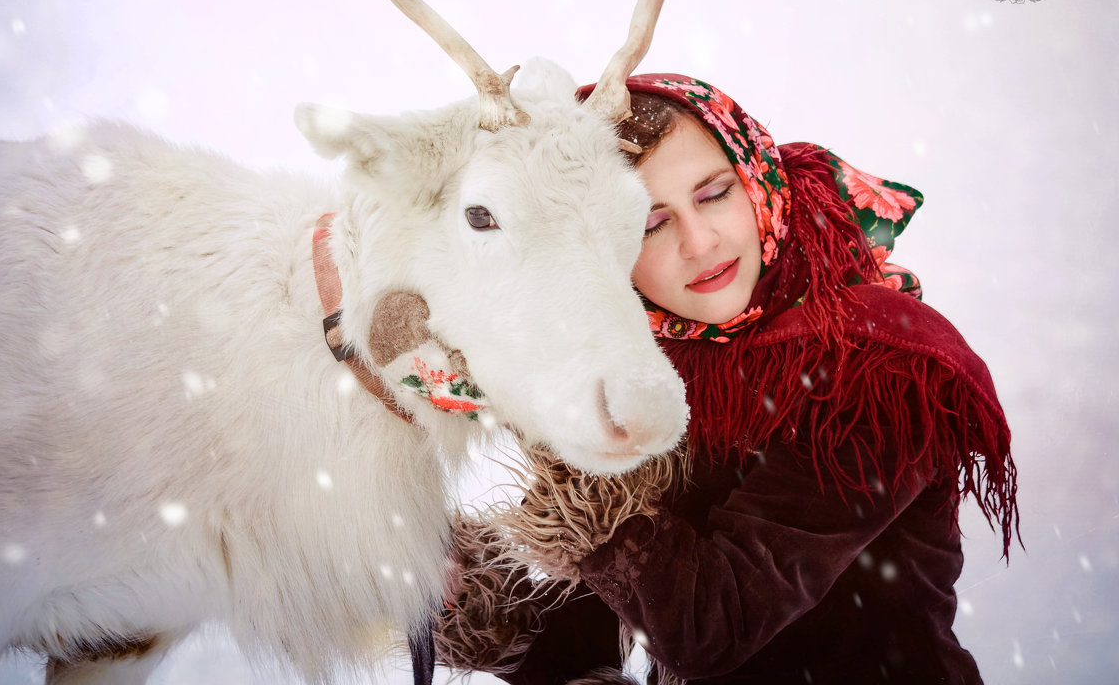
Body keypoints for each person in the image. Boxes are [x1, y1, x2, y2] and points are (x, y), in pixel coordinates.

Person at [433, 74, 1018, 685]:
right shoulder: (670, 353)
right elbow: (609, 616)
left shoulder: (880, 365)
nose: (700, 241)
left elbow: (707, 627)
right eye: (649, 225)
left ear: (757, 181)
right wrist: (465, 593)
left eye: (713, 194)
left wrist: (576, 465)